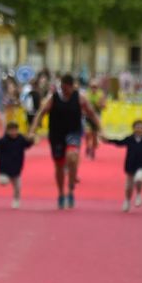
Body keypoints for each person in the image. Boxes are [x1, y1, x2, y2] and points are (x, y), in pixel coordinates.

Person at [28, 74, 102, 209]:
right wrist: (33, 130)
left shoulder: (80, 98)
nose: (65, 91)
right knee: (59, 166)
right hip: (56, 135)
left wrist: (101, 129)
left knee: (72, 156)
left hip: (73, 132)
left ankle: (71, 187)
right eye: (63, 88)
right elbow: (41, 113)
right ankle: (61, 193)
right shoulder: (53, 98)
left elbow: (91, 113)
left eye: (68, 88)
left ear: (72, 86)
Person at [102, 119, 142, 212]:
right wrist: (108, 140)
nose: (139, 129)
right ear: (133, 128)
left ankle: (139, 194)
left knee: (139, 178)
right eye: (137, 127)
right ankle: (127, 201)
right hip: (130, 165)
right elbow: (119, 142)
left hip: (141, 164)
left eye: (141, 127)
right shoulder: (130, 139)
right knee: (129, 186)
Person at [0, 121, 34, 209]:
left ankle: (16, 200)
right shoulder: (3, 141)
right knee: (3, 181)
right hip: (4, 167)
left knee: (18, 187)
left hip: (16, 167)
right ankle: (5, 179)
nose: (13, 132)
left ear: (17, 130)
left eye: (15, 130)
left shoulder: (21, 139)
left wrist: (32, 140)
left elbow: (28, 145)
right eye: (11, 130)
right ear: (7, 131)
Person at [85, 77, 108, 160]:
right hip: (88, 117)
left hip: (96, 118)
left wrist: (100, 104)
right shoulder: (87, 94)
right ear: (90, 87)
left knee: (94, 136)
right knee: (87, 133)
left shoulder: (100, 95)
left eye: (95, 87)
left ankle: (92, 149)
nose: (93, 88)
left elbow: (105, 106)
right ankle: (88, 146)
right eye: (92, 87)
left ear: (97, 87)